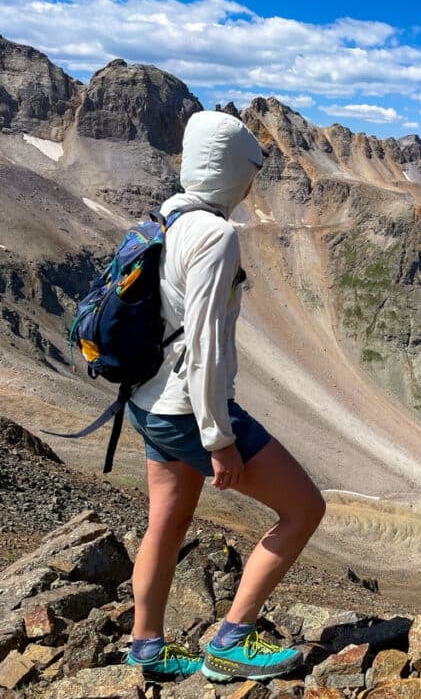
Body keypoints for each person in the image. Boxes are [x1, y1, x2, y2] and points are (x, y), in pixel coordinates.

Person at [123, 111, 326, 682]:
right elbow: (206, 344)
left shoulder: (169, 214)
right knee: (305, 508)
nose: (249, 186)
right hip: (190, 410)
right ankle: (232, 640)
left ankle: (147, 647)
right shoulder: (216, 235)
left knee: (165, 520)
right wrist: (220, 440)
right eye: (248, 173)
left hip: (148, 403)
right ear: (234, 170)